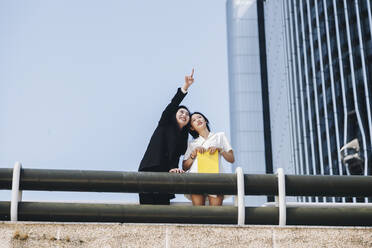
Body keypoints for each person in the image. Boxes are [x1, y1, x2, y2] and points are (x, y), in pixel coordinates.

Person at [138, 69, 195, 205]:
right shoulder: (164, 123)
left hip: (167, 176)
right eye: (181, 112)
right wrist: (185, 87)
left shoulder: (183, 139)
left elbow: (175, 157)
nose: (184, 115)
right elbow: (173, 104)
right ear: (174, 114)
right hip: (150, 169)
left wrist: (174, 168)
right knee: (147, 212)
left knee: (162, 213)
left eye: (187, 115)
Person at [182, 112, 234, 206]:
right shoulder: (192, 144)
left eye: (199, 117)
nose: (198, 120)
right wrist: (193, 154)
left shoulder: (220, 136)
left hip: (216, 178)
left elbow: (231, 159)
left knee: (216, 213)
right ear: (192, 127)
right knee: (199, 213)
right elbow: (185, 167)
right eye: (194, 120)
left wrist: (220, 149)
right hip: (196, 178)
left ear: (205, 120)